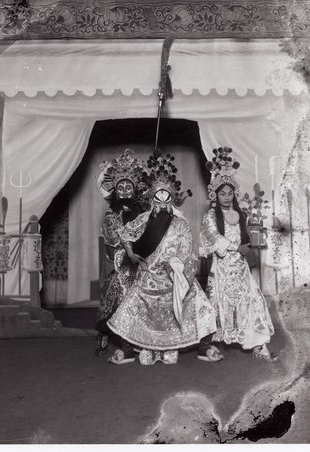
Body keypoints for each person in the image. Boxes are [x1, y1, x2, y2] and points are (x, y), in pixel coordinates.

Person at [107, 151, 221, 365]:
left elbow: (188, 251)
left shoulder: (181, 224)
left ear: (171, 199)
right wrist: (130, 254)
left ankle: (203, 348)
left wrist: (178, 267)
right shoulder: (143, 219)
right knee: (127, 308)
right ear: (152, 199)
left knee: (202, 306)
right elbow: (124, 233)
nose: (161, 202)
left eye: (165, 197)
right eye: (157, 197)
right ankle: (130, 350)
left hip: (173, 278)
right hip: (148, 276)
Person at [199, 146, 277, 362]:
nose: (226, 196)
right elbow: (212, 238)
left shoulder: (240, 214)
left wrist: (248, 245)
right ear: (215, 194)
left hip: (240, 269)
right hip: (221, 270)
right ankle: (207, 347)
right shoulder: (210, 217)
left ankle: (258, 344)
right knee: (215, 305)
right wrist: (236, 248)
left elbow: (247, 239)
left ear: (234, 193)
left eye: (229, 192)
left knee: (253, 300)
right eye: (222, 193)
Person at [94, 149, 148, 356]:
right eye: (121, 187)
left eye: (129, 187)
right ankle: (115, 337)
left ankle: (141, 339)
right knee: (118, 298)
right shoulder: (111, 214)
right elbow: (114, 238)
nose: (125, 190)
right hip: (119, 260)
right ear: (115, 190)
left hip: (140, 260)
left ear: (134, 190)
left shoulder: (142, 211)